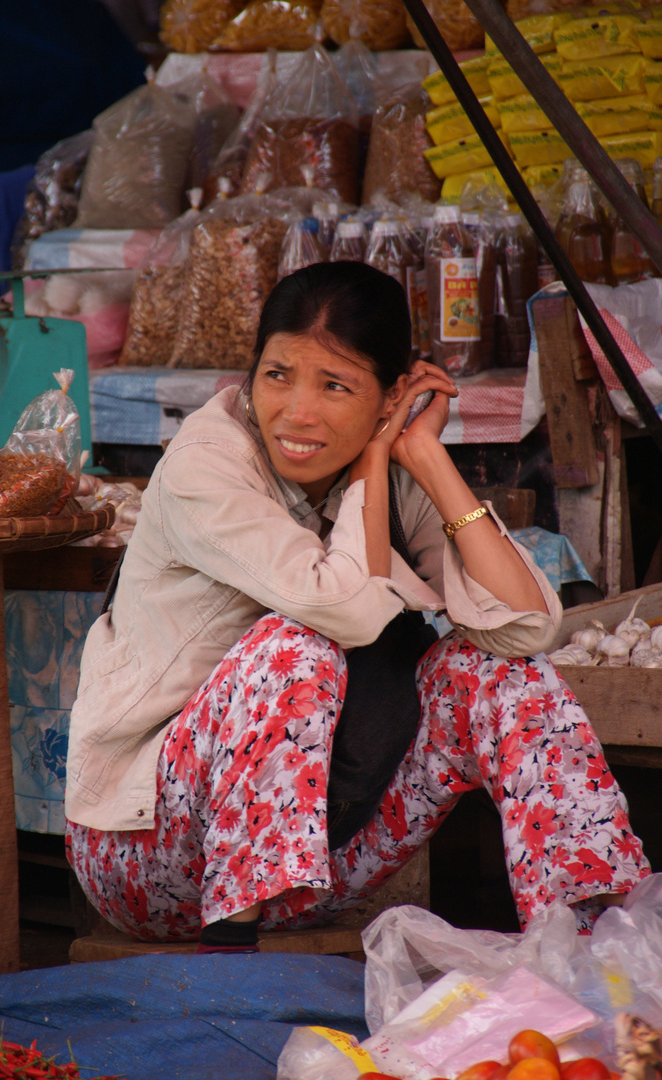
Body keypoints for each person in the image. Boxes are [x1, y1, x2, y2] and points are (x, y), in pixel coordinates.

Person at [65, 261, 649, 952]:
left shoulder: (391, 464)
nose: (297, 411)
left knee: (501, 676)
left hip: (320, 867)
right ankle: (232, 972)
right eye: (277, 374)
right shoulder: (208, 462)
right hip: (147, 860)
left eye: (334, 385)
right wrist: (373, 457)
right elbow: (338, 608)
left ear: (390, 394)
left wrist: (421, 454)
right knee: (295, 645)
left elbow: (525, 627)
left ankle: (601, 952)